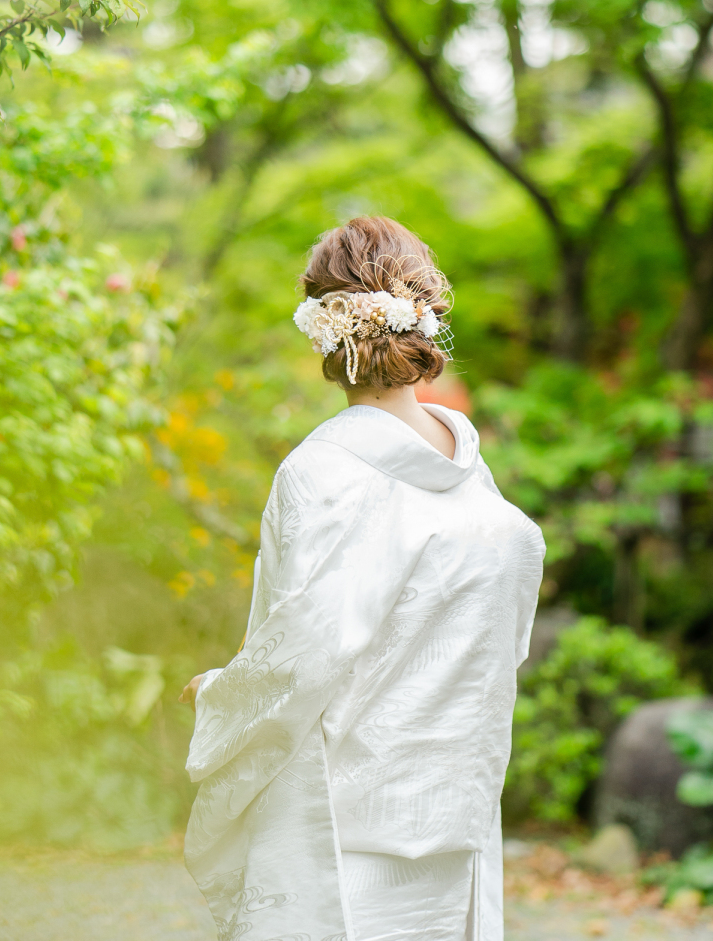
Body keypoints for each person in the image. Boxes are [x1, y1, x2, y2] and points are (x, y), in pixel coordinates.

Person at [179, 216, 545, 941]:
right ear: (426, 318)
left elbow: (304, 650)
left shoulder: (322, 471)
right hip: (453, 819)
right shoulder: (479, 489)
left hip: (342, 834)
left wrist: (220, 693)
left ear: (321, 328)